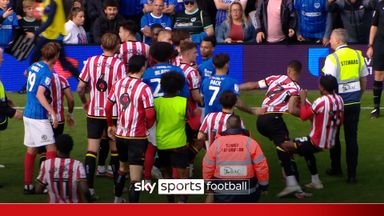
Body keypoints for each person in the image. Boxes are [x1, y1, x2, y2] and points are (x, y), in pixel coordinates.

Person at [240, 60, 307, 198]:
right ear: (299, 73)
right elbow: (292, 109)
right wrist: (304, 114)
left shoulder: (276, 78)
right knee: (286, 147)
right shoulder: (295, 88)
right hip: (272, 119)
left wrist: (236, 87)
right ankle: (292, 184)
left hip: (261, 121)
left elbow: (253, 85)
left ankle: (292, 182)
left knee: (282, 146)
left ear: (288, 70)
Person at [77, 33, 126, 199]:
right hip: (112, 113)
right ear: (117, 46)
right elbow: (122, 91)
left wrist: (85, 102)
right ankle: (117, 193)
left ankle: (89, 189)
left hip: (94, 112)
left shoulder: (90, 61)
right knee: (115, 151)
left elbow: (80, 88)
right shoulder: (119, 64)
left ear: (101, 46)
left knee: (91, 150)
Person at [106, 55, 155, 203]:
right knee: (135, 179)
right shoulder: (144, 88)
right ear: (142, 68)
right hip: (137, 137)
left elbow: (108, 107)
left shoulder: (118, 83)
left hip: (120, 135)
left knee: (122, 168)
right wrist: (148, 126)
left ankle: (117, 199)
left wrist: (110, 125)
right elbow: (150, 114)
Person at [281, 75, 344, 190]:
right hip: (330, 141)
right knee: (306, 151)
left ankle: (291, 181)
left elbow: (304, 116)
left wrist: (303, 99)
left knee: (284, 146)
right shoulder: (340, 100)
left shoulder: (320, 101)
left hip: (316, 141)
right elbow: (341, 121)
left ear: (323, 88)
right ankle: (316, 181)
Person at [322, 28, 368, 183]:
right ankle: (352, 175)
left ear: (338, 41)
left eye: (332, 39)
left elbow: (328, 84)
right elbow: (364, 80)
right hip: (354, 102)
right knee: (351, 138)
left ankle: (336, 168)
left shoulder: (332, 58)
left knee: (334, 136)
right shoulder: (357, 55)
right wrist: (358, 95)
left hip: (338, 104)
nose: (330, 42)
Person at [203, 114, 269, 203]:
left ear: (226, 126)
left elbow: (207, 166)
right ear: (240, 126)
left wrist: (208, 185)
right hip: (248, 191)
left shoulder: (217, 143)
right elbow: (261, 167)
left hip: (222, 192)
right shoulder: (251, 143)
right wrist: (264, 186)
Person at [23, 42, 60, 194]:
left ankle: (27, 185)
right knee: (51, 148)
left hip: (28, 113)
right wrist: (52, 112)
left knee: (31, 149)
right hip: (38, 116)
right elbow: (39, 94)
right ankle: (49, 185)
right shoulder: (46, 73)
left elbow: (26, 73)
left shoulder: (35, 65)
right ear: (55, 56)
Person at [154, 71, 189, 203]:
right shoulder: (184, 102)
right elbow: (192, 120)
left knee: (166, 174)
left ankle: (171, 202)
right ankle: (183, 201)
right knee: (182, 175)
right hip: (179, 144)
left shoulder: (156, 102)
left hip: (162, 143)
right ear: (179, 86)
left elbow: (151, 120)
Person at [26, 0, 79, 78]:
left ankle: (83, 81)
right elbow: (44, 16)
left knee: (63, 62)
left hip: (56, 35)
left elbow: (50, 20)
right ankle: (28, 82)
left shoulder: (55, 1)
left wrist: (35, 33)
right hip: (48, 34)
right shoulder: (45, 2)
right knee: (35, 57)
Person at [35, 134, 90, 203]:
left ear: (56, 147)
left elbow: (38, 189)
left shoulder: (46, 164)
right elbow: (85, 189)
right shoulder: (77, 165)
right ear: (71, 148)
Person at [367, 0, 384, 118]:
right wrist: (371, 45)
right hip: (380, 43)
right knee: (378, 74)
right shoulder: (380, 5)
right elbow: (374, 25)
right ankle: (376, 108)